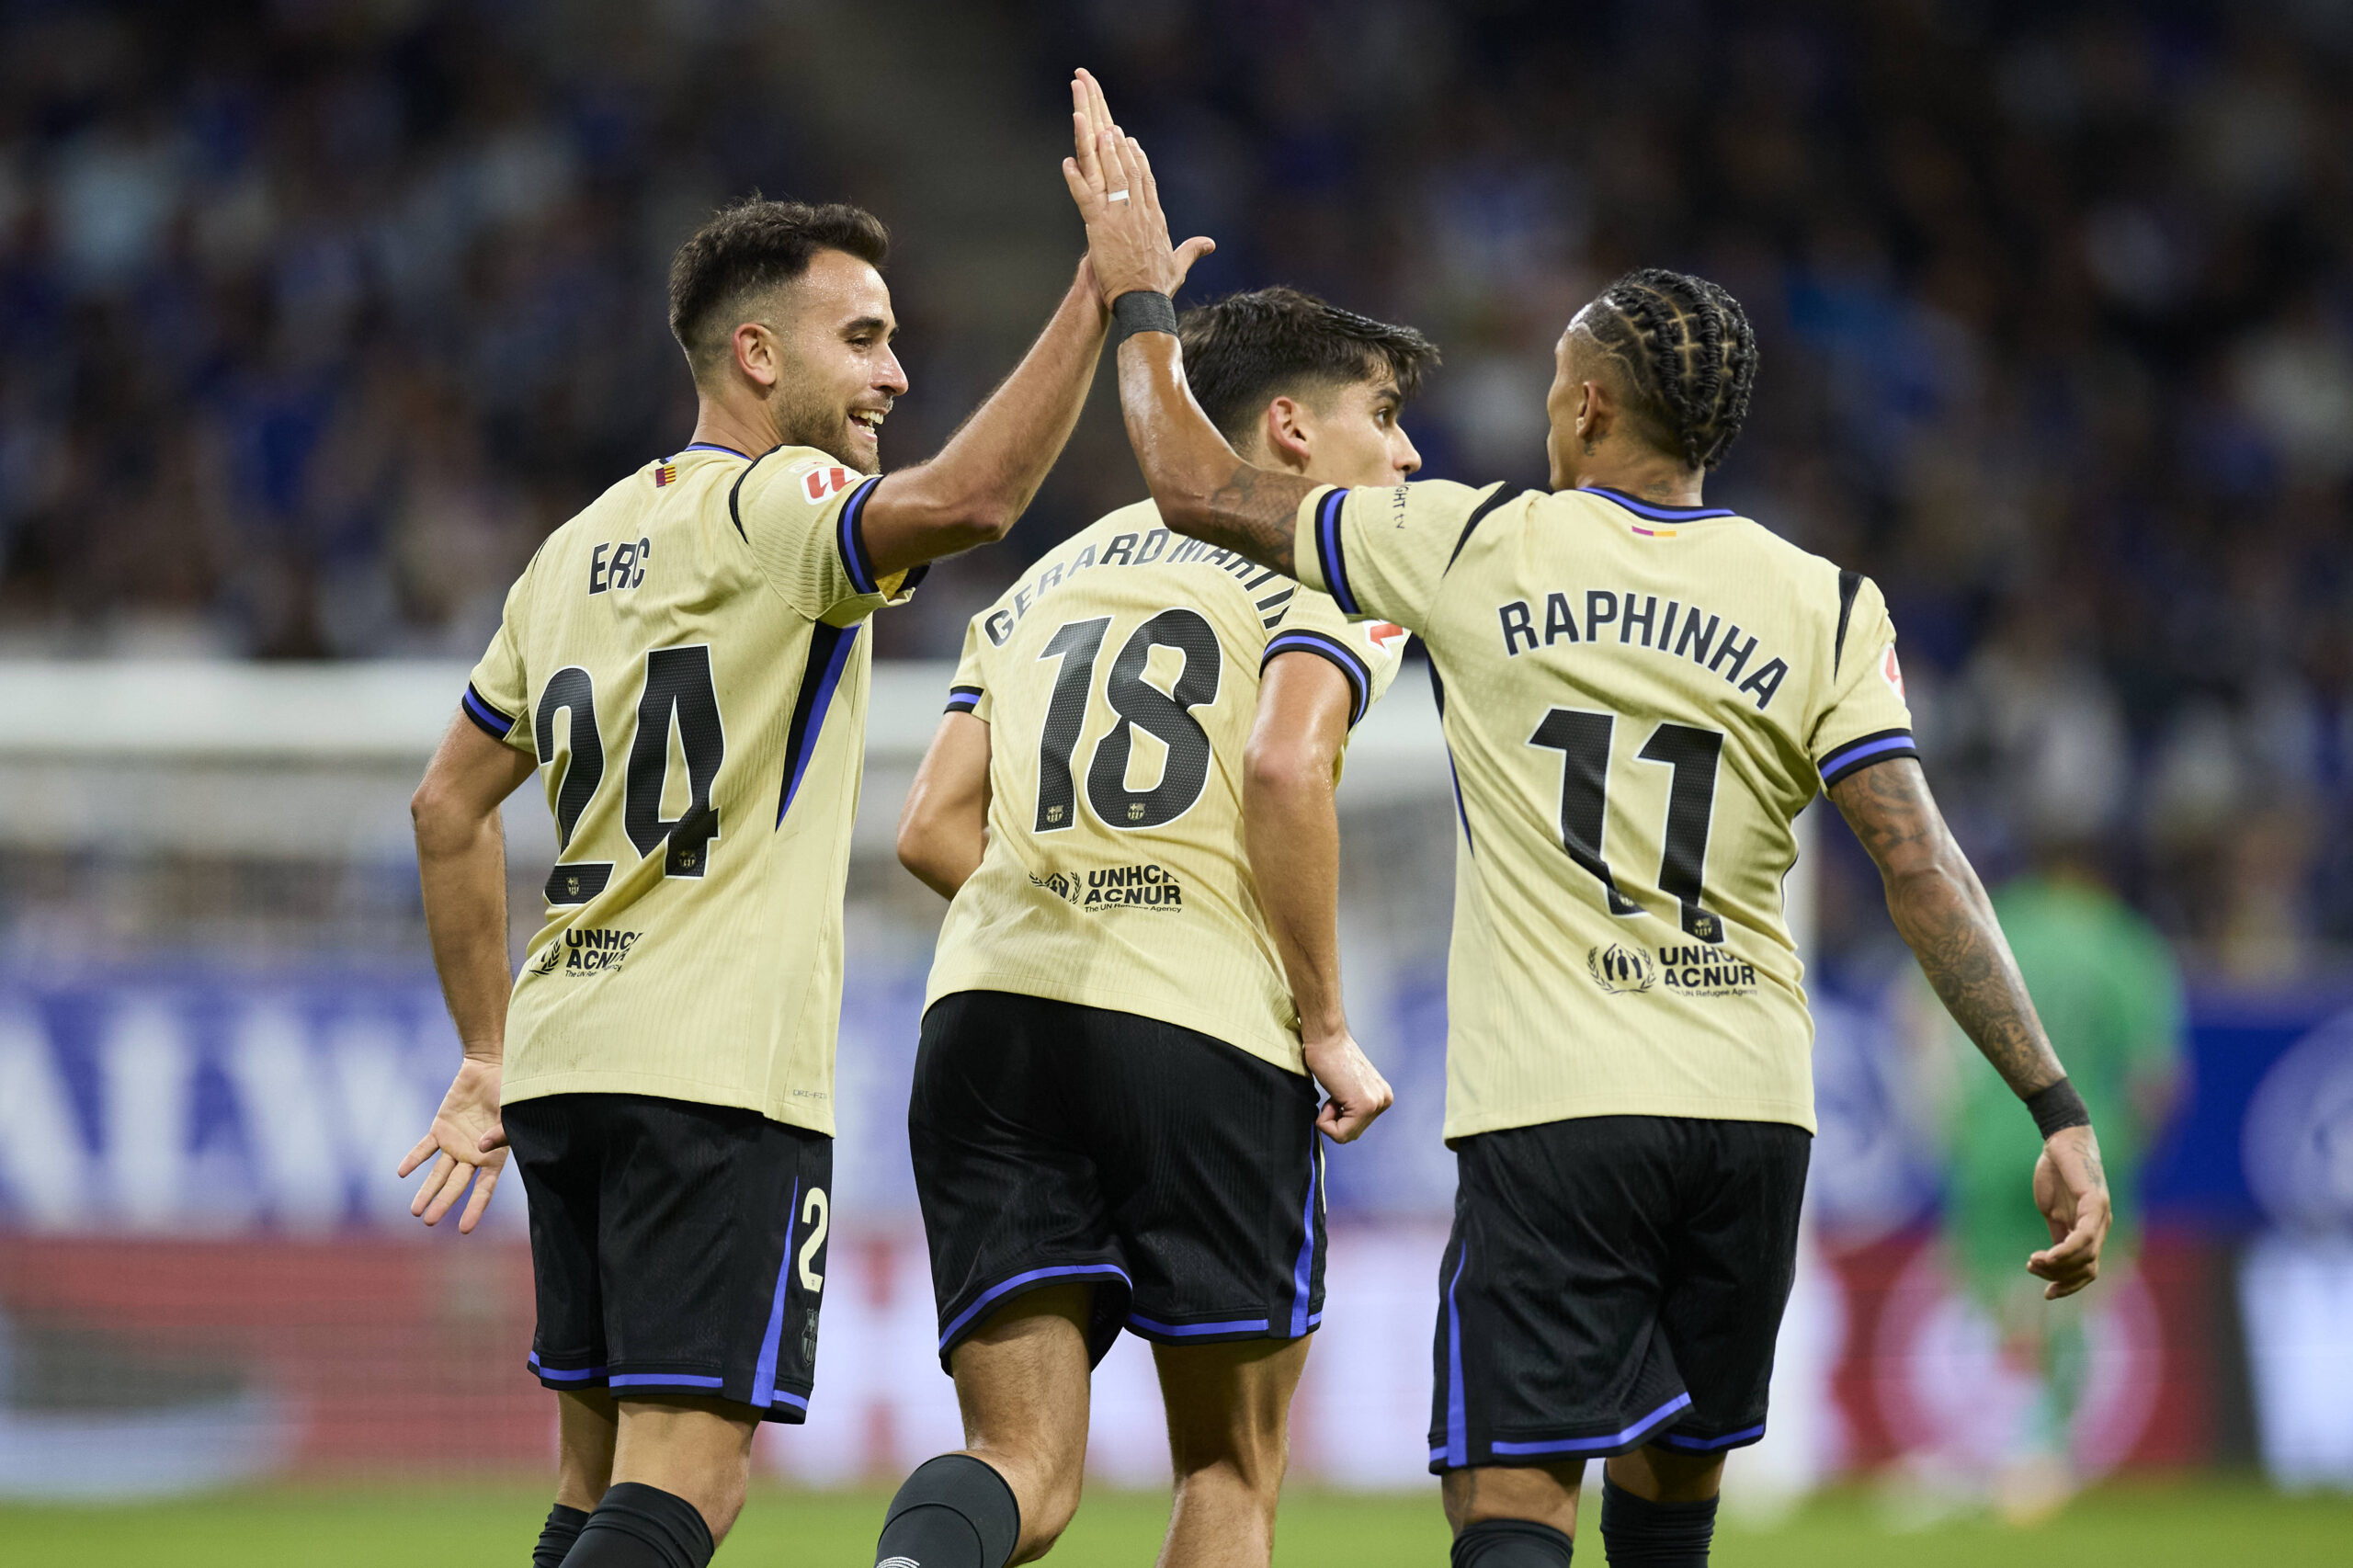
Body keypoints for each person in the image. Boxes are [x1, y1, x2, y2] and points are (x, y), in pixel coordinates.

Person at [1076, 129, 2112, 1568]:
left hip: (1557, 1103)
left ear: (1593, 403)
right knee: (1672, 1502)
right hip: (1751, 1109)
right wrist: (2051, 1100)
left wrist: (1137, 301)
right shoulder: (1822, 603)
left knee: (1511, 1501)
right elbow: (1921, 866)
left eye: (1562, 379)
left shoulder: (1472, 544)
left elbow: (1195, 483)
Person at [392, 77, 1195, 1568]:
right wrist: (1106, 294)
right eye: (866, 340)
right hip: (713, 1079)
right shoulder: (781, 506)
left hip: (570, 1066)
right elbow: (966, 504)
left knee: (598, 1480)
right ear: (756, 354)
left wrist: (488, 1049)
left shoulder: (573, 549)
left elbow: (449, 804)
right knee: (688, 1488)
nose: (892, 375)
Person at [877, 270, 1427, 1564]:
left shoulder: (1046, 577)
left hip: (988, 1013)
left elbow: (928, 827)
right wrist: (1328, 1022)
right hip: (1200, 1027)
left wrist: (1073, 908)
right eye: (1385, 413)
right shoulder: (1333, 553)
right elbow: (1285, 769)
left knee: (1022, 1467)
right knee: (1228, 1463)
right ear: (1291, 429)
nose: (1405, 451)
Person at [1929, 839, 2183, 1519]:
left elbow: (1923, 1029)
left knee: (1997, 1298)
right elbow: (2156, 1080)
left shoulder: (1991, 919)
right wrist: (2129, 1153)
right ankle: (2040, 1454)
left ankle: (1997, 1452)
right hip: (2084, 1149)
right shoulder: (2125, 944)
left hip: (1988, 1145)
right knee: (2073, 1300)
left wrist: (1954, 1128)